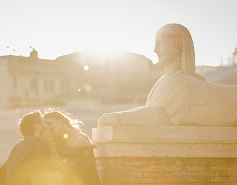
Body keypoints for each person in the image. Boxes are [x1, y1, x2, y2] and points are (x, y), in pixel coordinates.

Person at [98, 23, 237, 127]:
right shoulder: (163, 82)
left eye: (160, 44)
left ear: (177, 48)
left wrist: (121, 117)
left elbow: (162, 116)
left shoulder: (183, 83)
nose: (155, 50)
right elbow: (150, 111)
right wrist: (121, 116)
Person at [44, 110, 107, 185]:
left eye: (50, 123)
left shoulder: (80, 140)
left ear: (60, 120)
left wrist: (50, 147)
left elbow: (64, 170)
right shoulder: (61, 141)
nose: (49, 128)